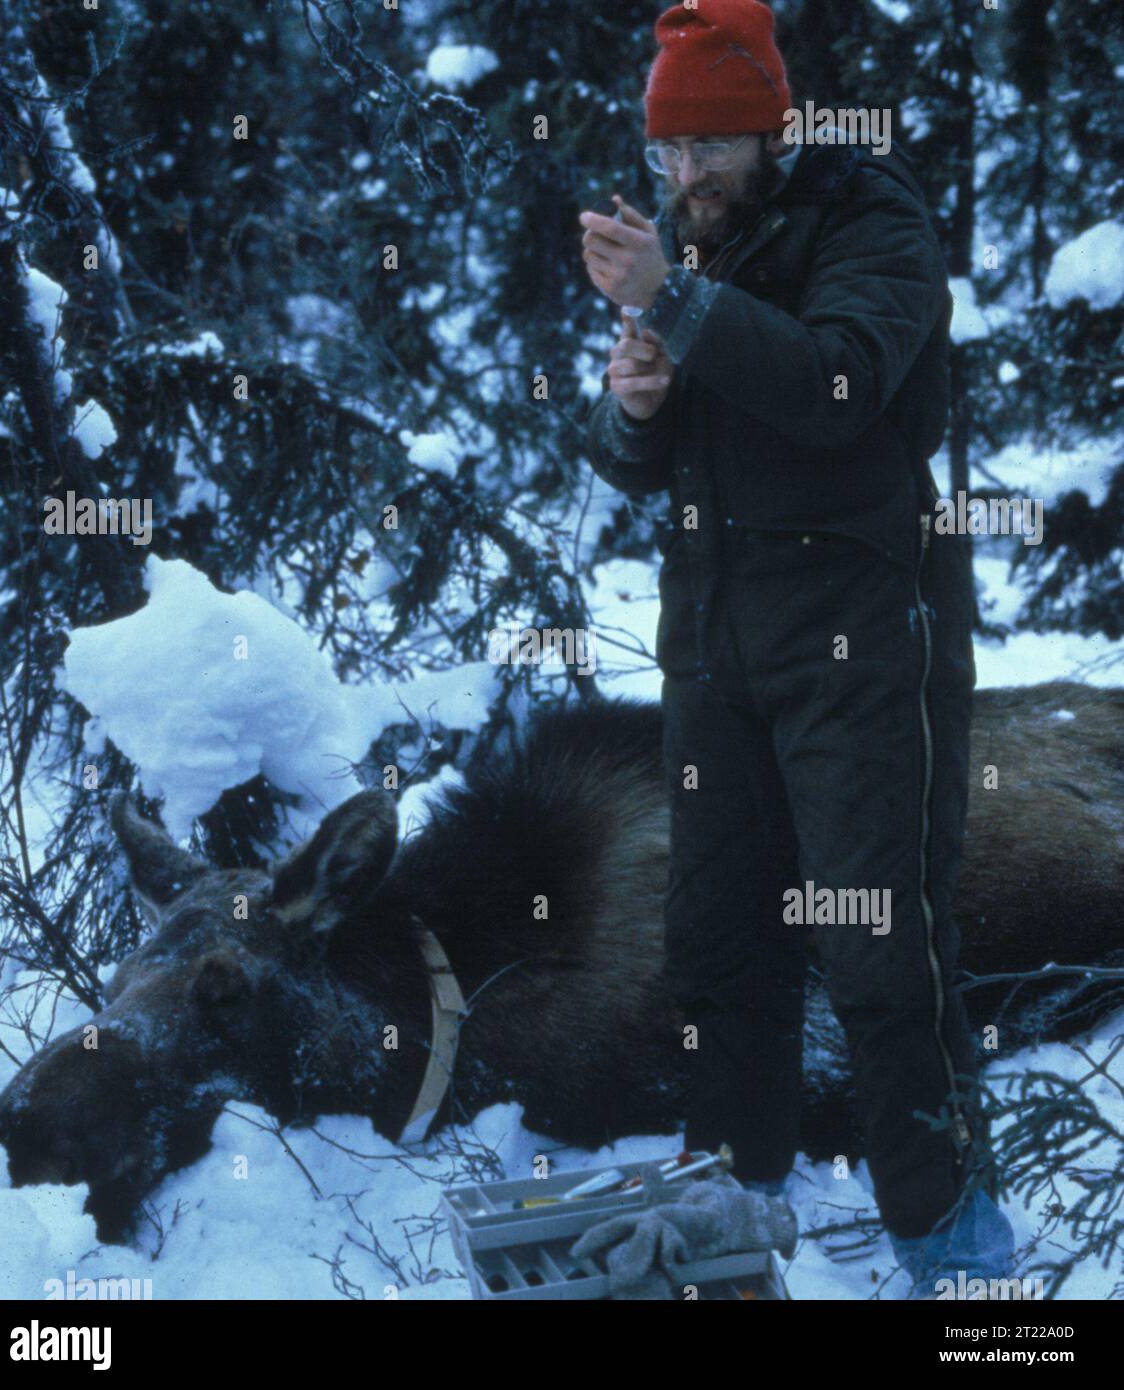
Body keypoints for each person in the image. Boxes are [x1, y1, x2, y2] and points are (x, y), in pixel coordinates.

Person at [579, 0, 1015, 1298]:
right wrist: (634, 409)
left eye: (711, 147)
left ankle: (953, 1247)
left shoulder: (869, 216)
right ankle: (733, 1219)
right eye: (670, 150)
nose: (686, 176)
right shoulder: (690, 245)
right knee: (718, 948)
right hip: (714, 646)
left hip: (862, 637)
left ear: (769, 128)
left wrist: (679, 300)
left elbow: (834, 389)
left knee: (882, 942)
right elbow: (648, 460)